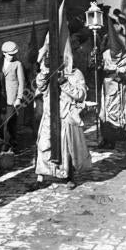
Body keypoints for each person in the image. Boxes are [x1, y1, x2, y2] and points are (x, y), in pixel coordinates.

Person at [35, 37, 92, 190]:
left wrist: (64, 83)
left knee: (66, 149)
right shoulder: (49, 72)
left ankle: (68, 176)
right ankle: (41, 176)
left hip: (66, 115)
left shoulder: (76, 74)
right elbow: (40, 86)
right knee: (43, 145)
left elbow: (81, 95)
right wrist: (45, 71)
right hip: (49, 115)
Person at [99, 19, 126, 148]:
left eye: (117, 55)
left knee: (115, 115)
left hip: (121, 90)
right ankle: (105, 137)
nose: (114, 57)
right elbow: (101, 69)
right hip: (107, 88)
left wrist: (123, 74)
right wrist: (97, 66)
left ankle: (113, 139)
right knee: (103, 113)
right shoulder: (105, 54)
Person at [1, 41, 25, 151]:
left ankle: (11, 145)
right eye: (10, 54)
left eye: (14, 54)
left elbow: (21, 82)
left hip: (12, 99)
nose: (12, 56)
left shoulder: (17, 64)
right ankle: (4, 145)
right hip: (1, 98)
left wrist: (19, 98)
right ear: (4, 53)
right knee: (2, 123)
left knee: (10, 123)